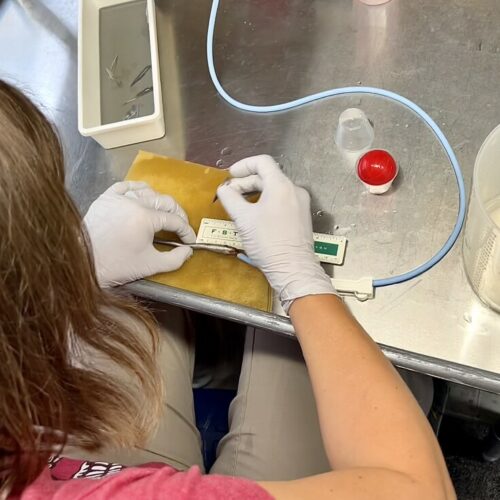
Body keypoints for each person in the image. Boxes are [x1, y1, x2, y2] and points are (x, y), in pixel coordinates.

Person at [0, 80, 455, 499]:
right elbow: (418, 489)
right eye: (50, 236)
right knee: (296, 341)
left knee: (133, 300)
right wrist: (300, 278)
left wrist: (79, 268)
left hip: (64, 465)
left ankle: (215, 367)